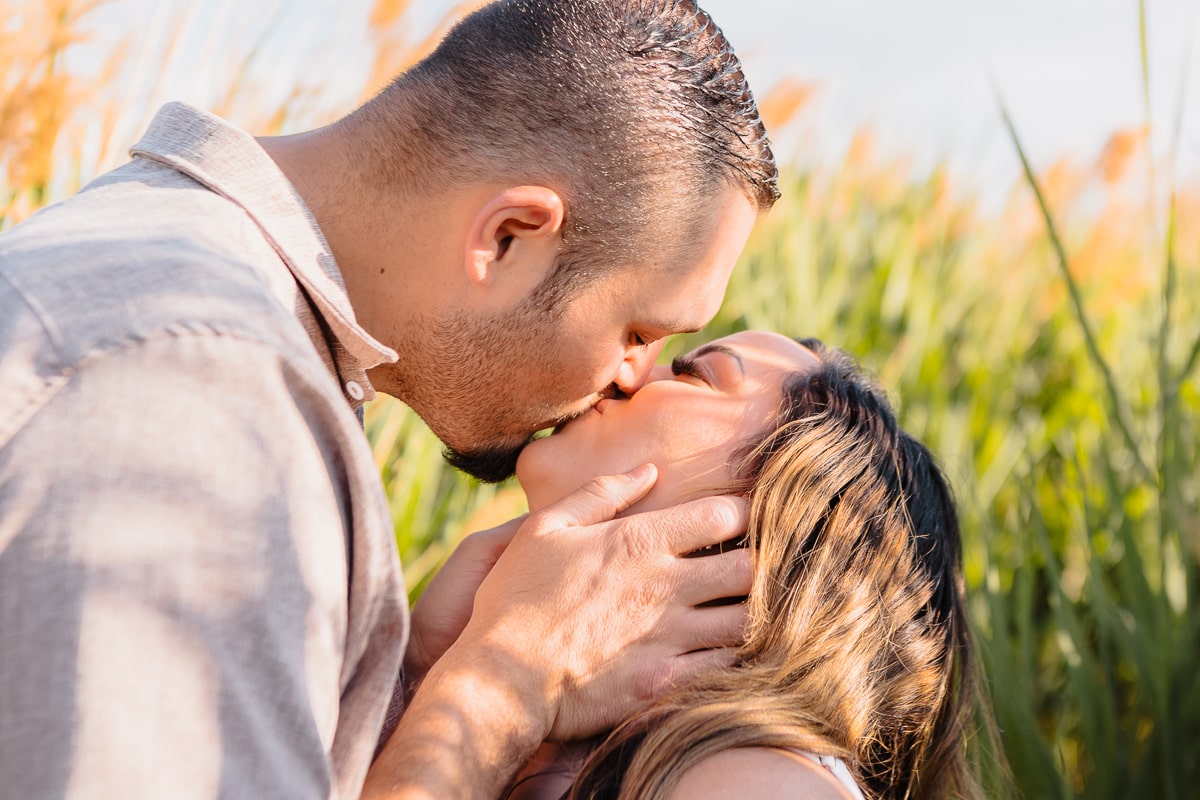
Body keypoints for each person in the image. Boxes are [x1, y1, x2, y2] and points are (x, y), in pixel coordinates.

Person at [0, 2, 778, 798]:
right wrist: (509, 682)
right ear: (507, 236)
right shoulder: (192, 395)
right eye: (637, 329)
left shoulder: (196, 308)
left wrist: (407, 681)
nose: (631, 378)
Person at [432, 330, 983, 799]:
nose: (628, 376)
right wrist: (415, 668)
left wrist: (506, 677)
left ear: (781, 515)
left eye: (697, 374)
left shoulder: (763, 783)